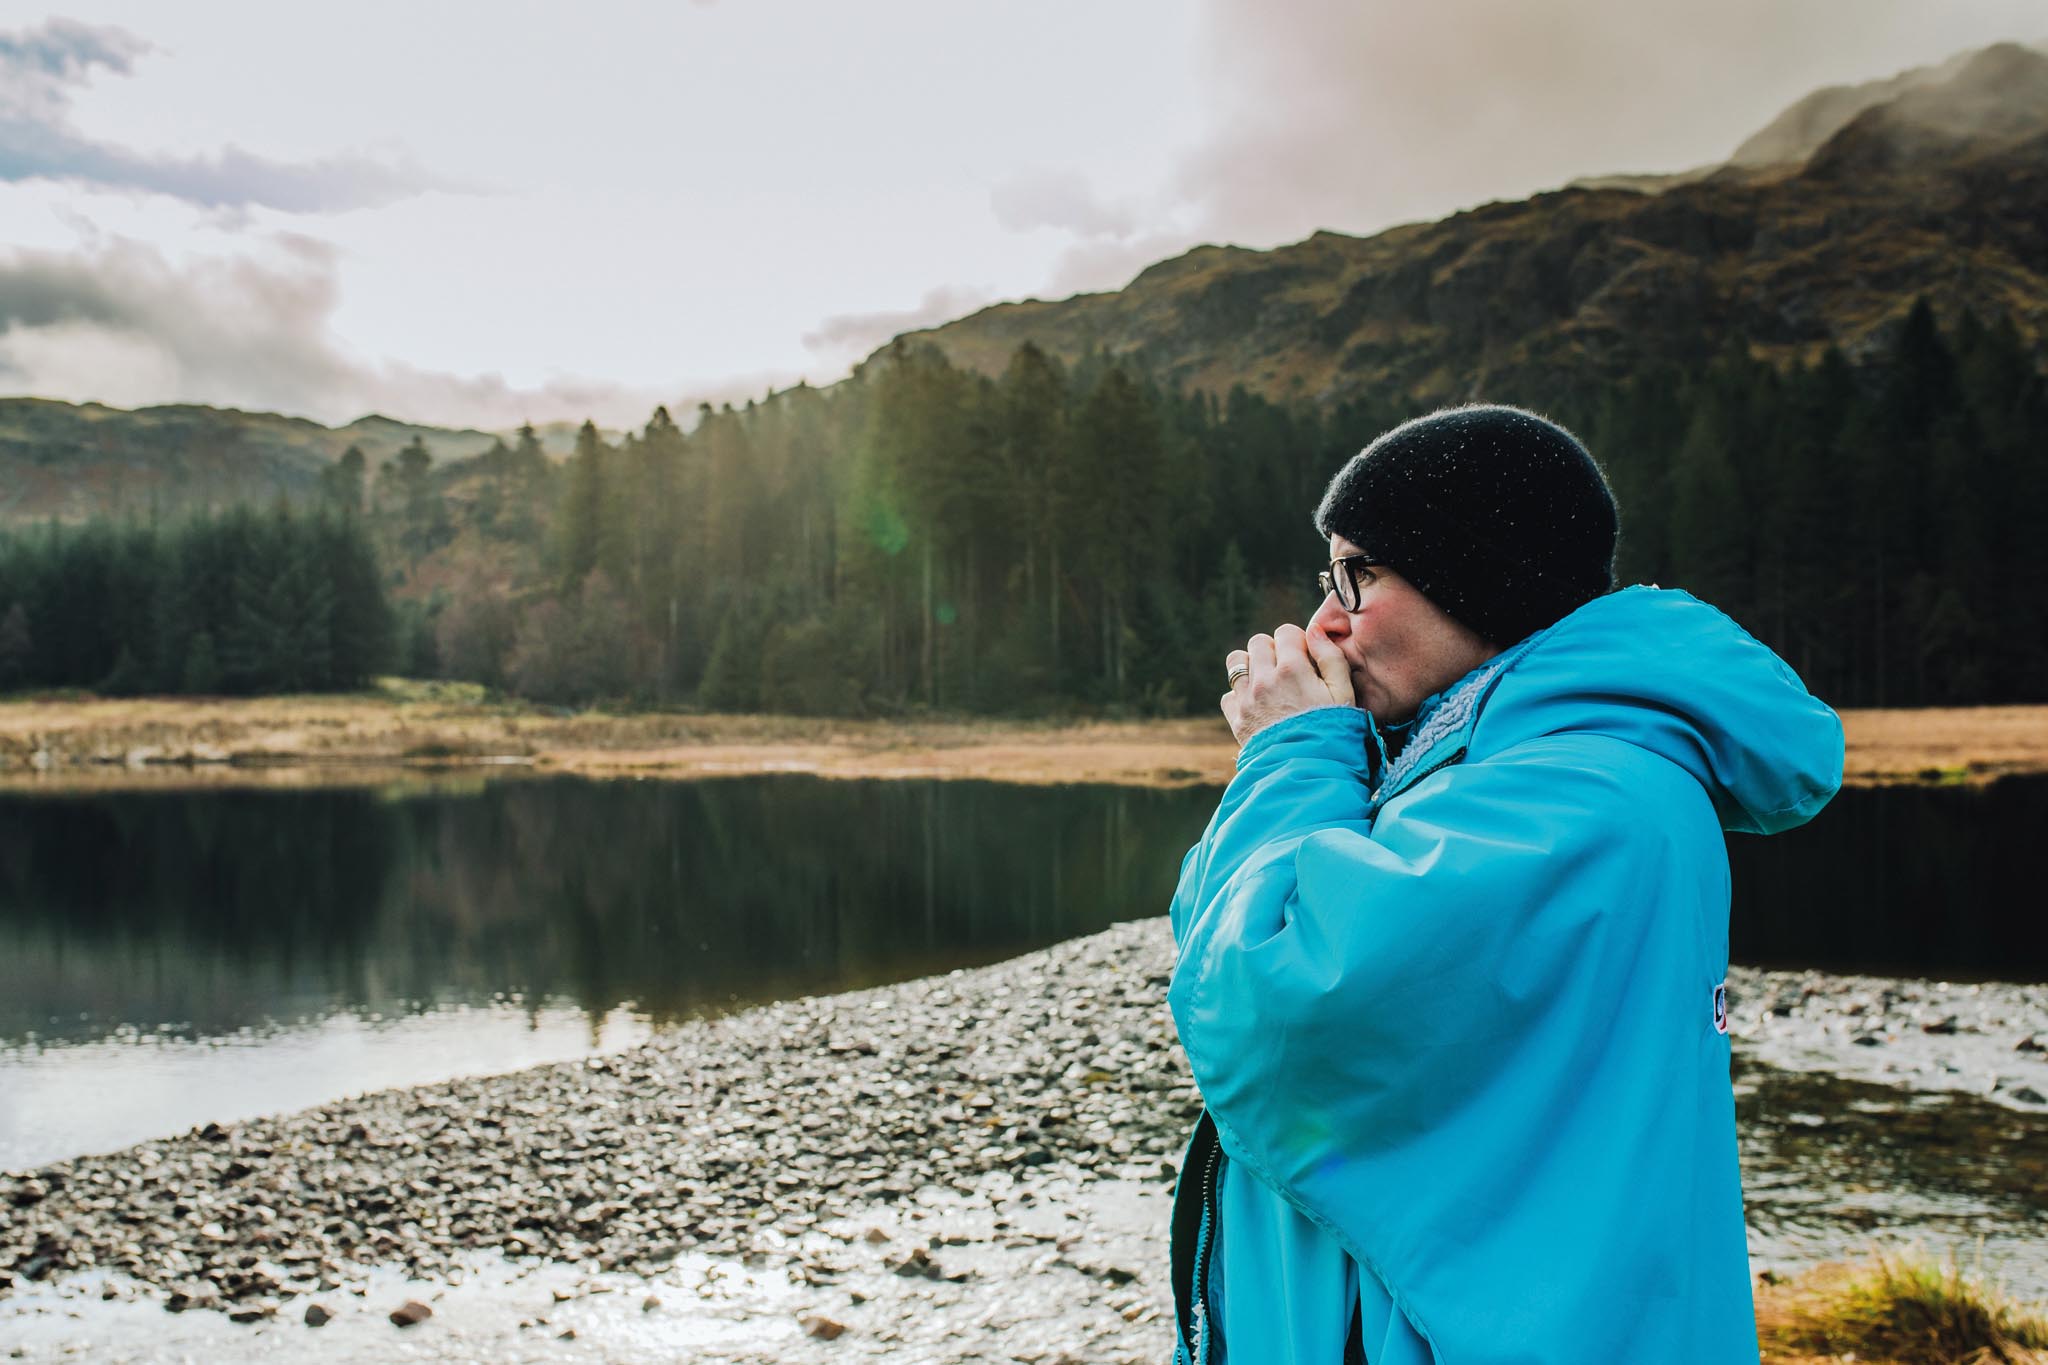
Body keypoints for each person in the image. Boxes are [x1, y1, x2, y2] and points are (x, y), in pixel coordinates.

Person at [1165, 404, 1844, 1364]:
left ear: (1476, 577)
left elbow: (1270, 1000)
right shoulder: (1482, 772)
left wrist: (1289, 755)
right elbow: (1213, 945)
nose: (1325, 619)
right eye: (1330, 578)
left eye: (1359, 575)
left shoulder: (1586, 796)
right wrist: (1317, 762)